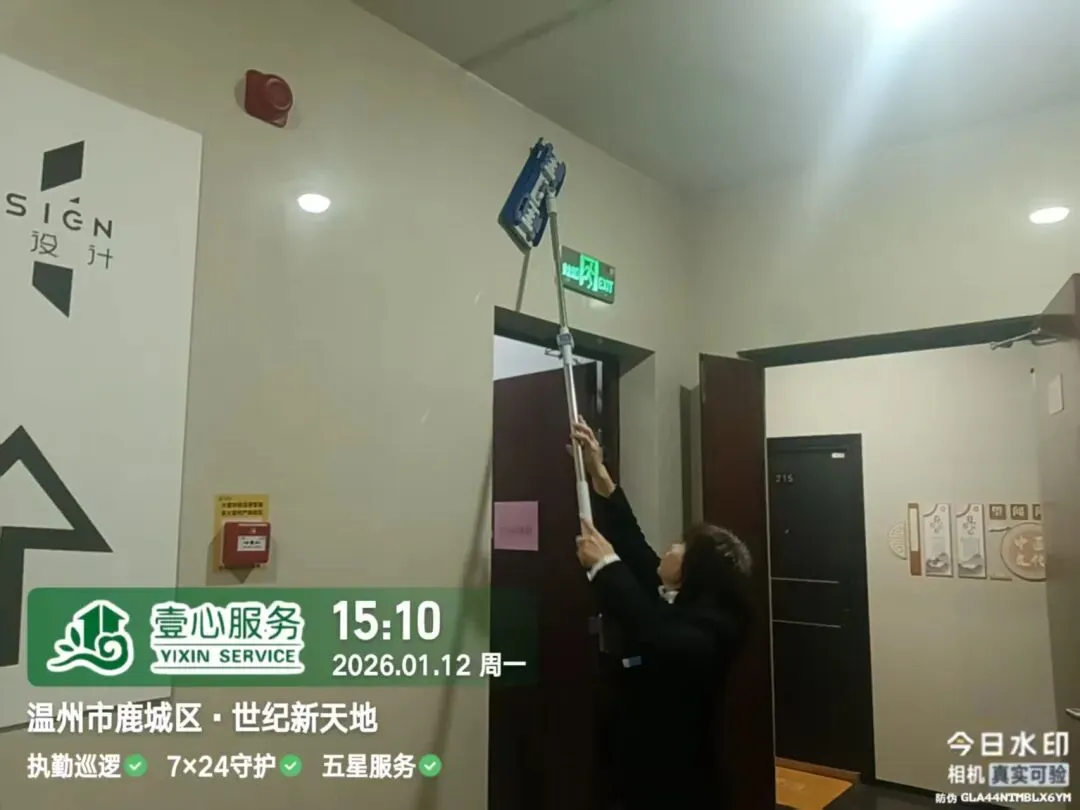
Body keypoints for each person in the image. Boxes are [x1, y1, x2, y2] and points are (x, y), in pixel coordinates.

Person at [569, 418, 753, 810]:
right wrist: (599, 474)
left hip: (674, 781)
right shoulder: (679, 601)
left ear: (694, 572)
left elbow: (654, 632)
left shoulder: (710, 631)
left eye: (682, 546)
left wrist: (605, 567)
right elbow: (634, 545)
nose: (671, 547)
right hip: (634, 765)